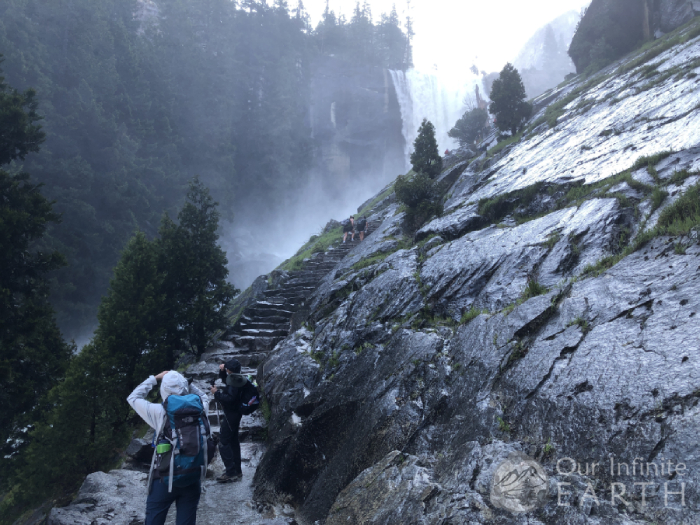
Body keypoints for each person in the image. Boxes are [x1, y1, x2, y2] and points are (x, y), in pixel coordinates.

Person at [127, 370, 209, 525]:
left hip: (163, 479)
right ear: (185, 387)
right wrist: (186, 382)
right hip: (192, 476)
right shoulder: (201, 409)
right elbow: (204, 396)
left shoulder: (159, 412)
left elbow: (133, 397)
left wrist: (154, 378)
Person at [210, 359, 246, 483]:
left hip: (231, 416)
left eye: (227, 368)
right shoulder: (237, 378)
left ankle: (231, 472)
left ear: (230, 370)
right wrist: (222, 372)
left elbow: (230, 399)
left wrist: (216, 393)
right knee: (233, 442)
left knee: (224, 442)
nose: (226, 369)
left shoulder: (235, 382)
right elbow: (226, 381)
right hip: (236, 414)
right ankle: (237, 470)